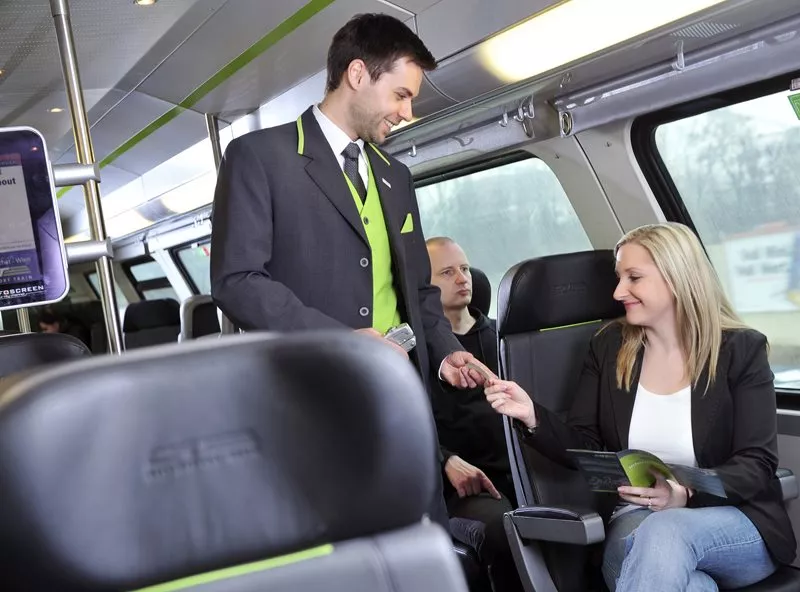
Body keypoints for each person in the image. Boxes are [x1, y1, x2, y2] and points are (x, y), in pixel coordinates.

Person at [210, 13, 492, 532]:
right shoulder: (259, 157)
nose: (408, 112)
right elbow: (237, 281)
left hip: (403, 411)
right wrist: (341, 340)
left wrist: (448, 352)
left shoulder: (395, 176)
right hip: (314, 413)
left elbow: (418, 294)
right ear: (358, 74)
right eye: (401, 95)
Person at [483, 222, 797, 591]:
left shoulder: (740, 350)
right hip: (635, 523)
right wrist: (532, 415)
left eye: (634, 278)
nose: (618, 292)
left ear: (677, 279)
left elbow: (756, 464)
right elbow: (588, 447)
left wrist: (685, 494)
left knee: (668, 530)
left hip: (734, 521)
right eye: (619, 278)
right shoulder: (610, 347)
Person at [427, 237, 522, 592]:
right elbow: (402, 432)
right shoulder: (415, 354)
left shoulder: (505, 339)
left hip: (522, 474)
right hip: (461, 490)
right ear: (423, 289)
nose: (462, 278)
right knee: (503, 528)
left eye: (465, 269)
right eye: (447, 272)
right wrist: (444, 459)